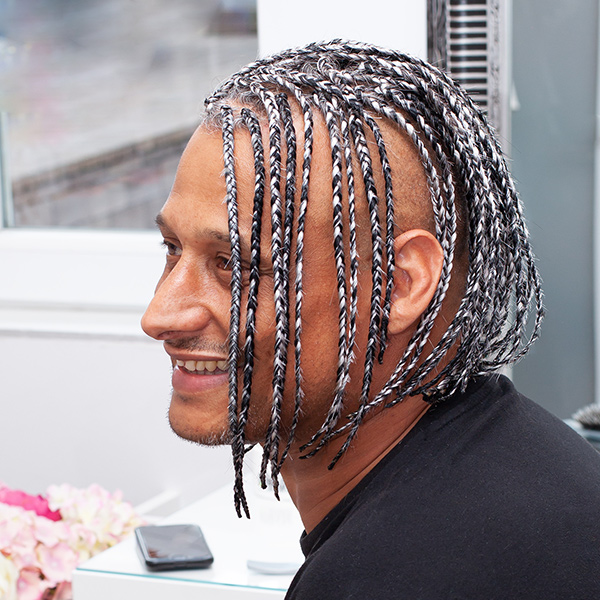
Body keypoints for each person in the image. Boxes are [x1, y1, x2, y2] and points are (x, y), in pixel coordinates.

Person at [141, 40, 600, 598]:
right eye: (172, 249)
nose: (160, 314)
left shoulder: (395, 575)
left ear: (400, 284)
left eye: (234, 266)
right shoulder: (521, 467)